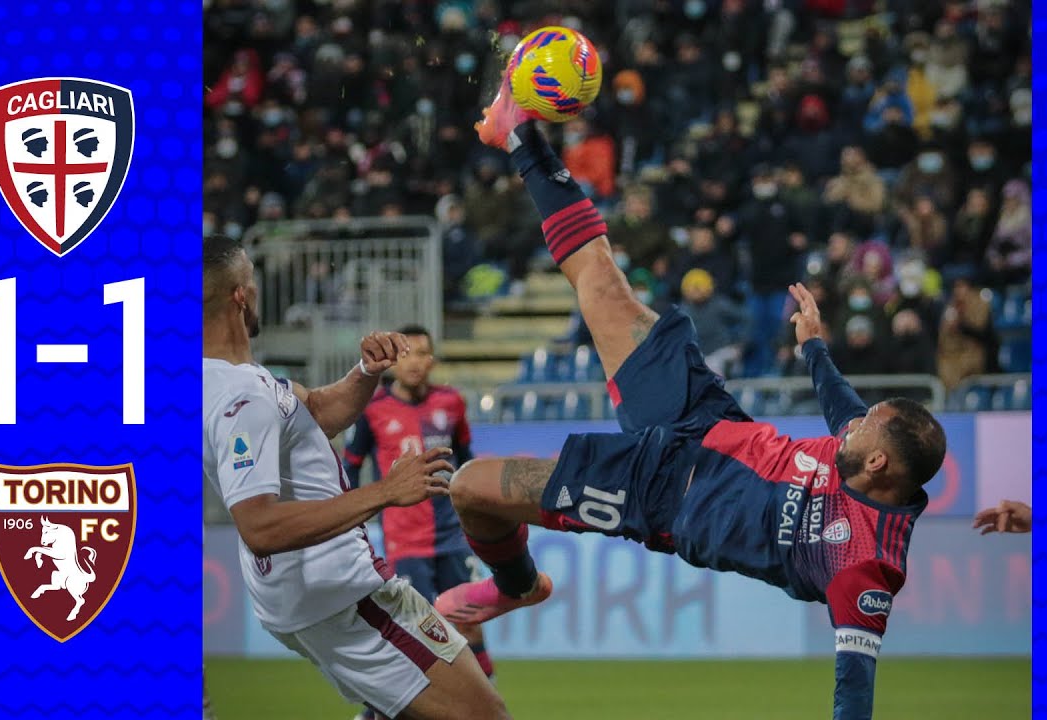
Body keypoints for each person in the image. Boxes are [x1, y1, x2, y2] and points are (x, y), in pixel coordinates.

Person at [435, 75, 948, 720]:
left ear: (879, 464)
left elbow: (853, 686)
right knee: (602, 281)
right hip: (701, 416)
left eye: (870, 424)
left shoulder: (865, 566)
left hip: (660, 494)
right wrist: (814, 346)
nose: (856, 423)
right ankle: (518, 133)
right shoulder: (860, 449)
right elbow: (841, 401)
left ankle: (513, 585)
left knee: (469, 488)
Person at [201, 235, 510, 720]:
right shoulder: (241, 398)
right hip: (343, 593)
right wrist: (385, 492)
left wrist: (366, 370)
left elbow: (321, 410)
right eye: (254, 282)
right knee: (484, 714)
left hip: (313, 594)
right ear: (240, 294)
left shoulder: (235, 381)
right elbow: (259, 527)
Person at [343, 325, 495, 720]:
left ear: (433, 360)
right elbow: (350, 469)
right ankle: (374, 711)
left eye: (425, 353)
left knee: (470, 625)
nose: (417, 362)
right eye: (408, 353)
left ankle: (487, 705)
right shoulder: (373, 410)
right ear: (395, 362)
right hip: (405, 542)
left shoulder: (452, 402)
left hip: (453, 538)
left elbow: (466, 460)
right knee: (417, 638)